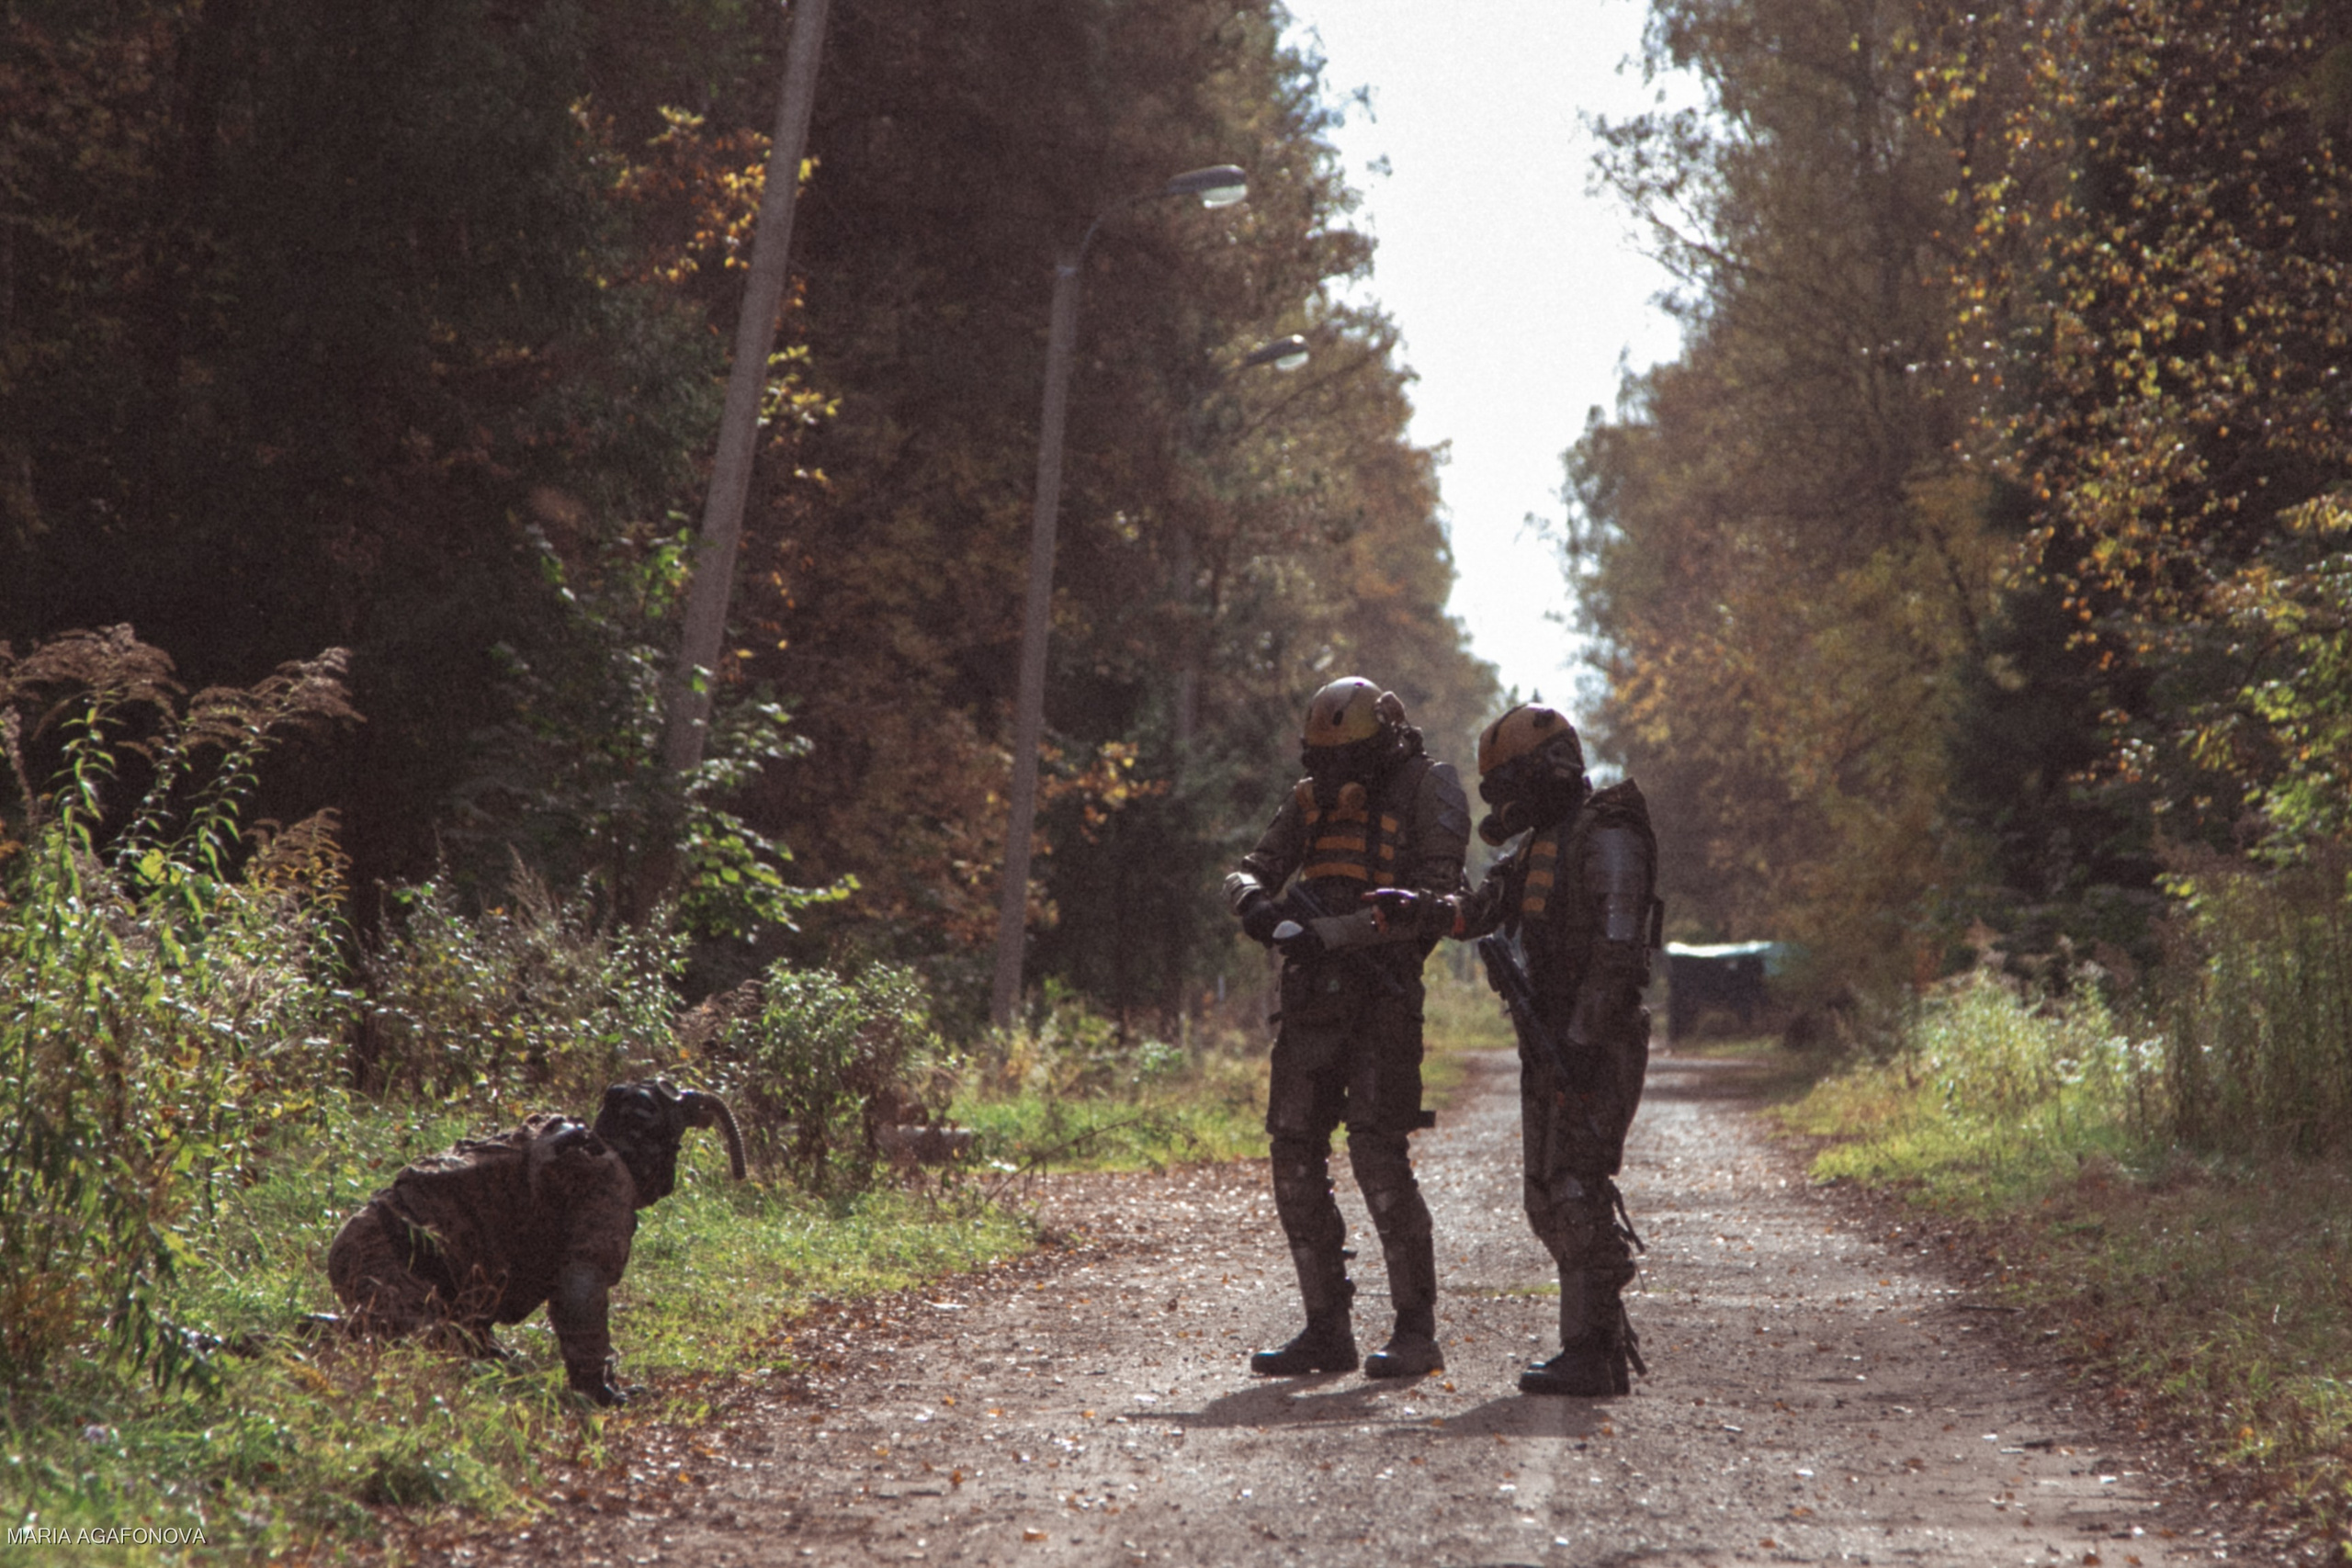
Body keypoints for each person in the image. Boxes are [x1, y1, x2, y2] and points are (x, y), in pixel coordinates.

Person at [1224, 677, 1470, 1379]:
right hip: (1309, 1003)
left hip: (1383, 998)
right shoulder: (1311, 795)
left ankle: (1415, 1331)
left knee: (1378, 1158)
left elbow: (1438, 901)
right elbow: (1250, 869)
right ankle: (1325, 1326)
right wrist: (1255, 909)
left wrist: (1330, 933)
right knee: (1293, 1153)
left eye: (1345, 760)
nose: (1331, 776)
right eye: (1320, 760)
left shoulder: (1431, 786)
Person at [1439, 703, 1659, 1396]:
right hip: (1552, 1037)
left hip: (1597, 1037)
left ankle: (1593, 1348)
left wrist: (1584, 1040)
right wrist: (1415, 903)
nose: (1510, 799)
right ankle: (1591, 1343)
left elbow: (1620, 948)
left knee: (1574, 1184)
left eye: (1516, 780)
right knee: (1547, 1196)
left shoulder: (1609, 830)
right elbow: (1475, 913)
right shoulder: (1538, 842)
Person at [325, 1081, 744, 1404]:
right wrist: (592, 1386)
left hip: (387, 1248)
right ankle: (296, 1342)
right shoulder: (607, 1180)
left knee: (502, 1376)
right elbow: (580, 1286)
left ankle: (350, 1334)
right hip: (390, 1259)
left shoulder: (572, 1150)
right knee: (434, 1369)